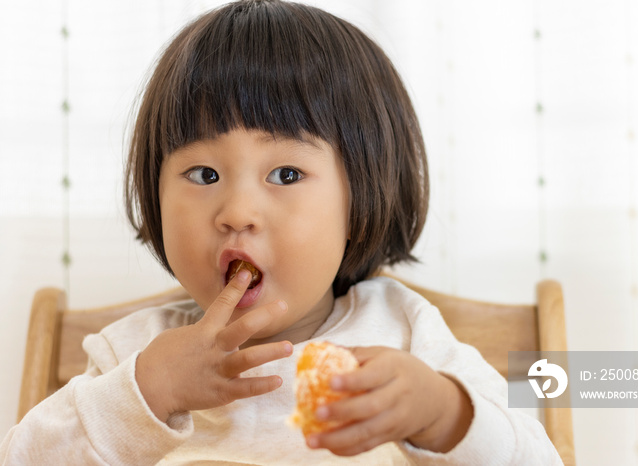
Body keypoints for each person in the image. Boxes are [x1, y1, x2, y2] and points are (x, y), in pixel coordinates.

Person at [1, 1, 563, 464]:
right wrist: (149, 391)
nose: (237, 211)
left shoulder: (405, 331)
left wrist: (442, 414)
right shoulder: (134, 355)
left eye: (286, 174)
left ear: (361, 196)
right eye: (204, 174)